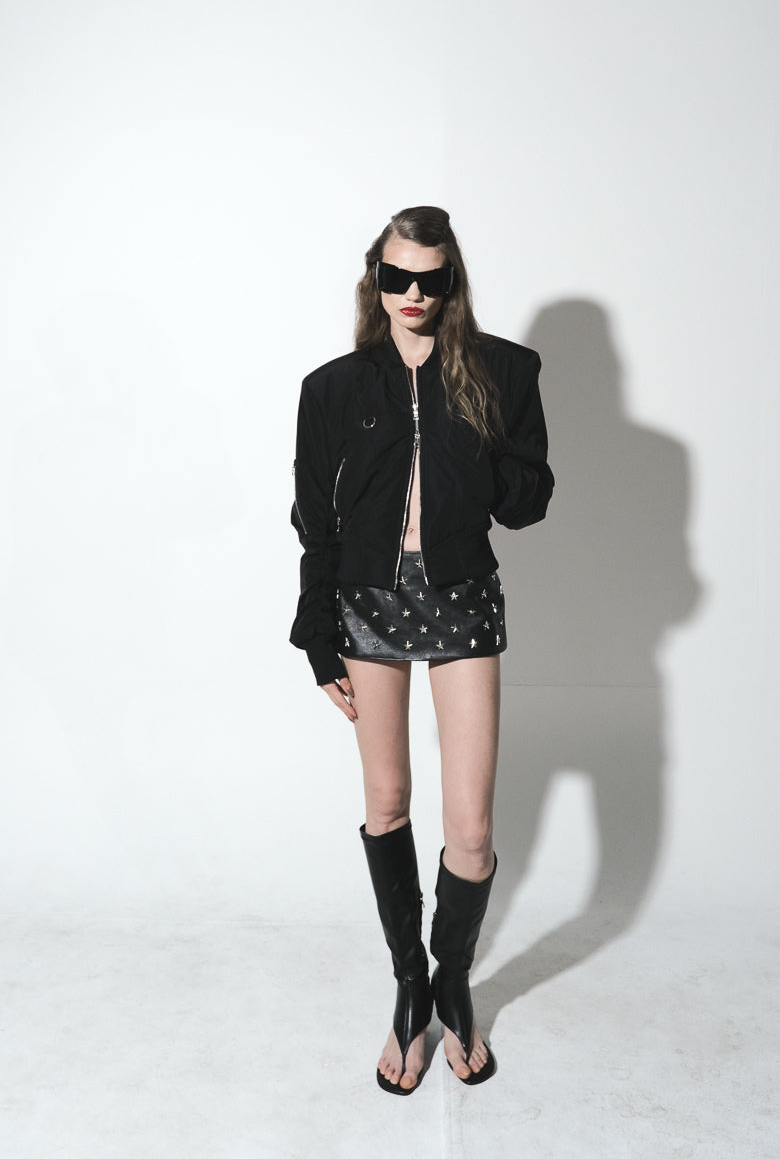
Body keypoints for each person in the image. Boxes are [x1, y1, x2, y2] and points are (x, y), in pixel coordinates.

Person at [290, 206, 554, 1094]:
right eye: (396, 276)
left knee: (471, 828)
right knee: (388, 800)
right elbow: (314, 521)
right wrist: (317, 632)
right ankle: (410, 987)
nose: (412, 294)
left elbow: (529, 501)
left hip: (461, 595)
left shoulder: (504, 370)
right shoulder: (333, 388)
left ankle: (452, 979)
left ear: (452, 281)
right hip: (366, 598)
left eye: (429, 279)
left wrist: (474, 444)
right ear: (376, 278)